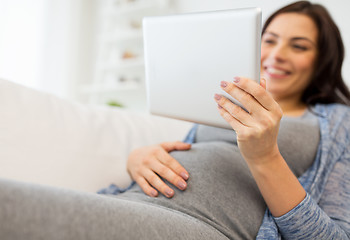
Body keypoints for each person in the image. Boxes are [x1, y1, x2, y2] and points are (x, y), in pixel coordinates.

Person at [0, 1, 349, 239]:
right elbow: (190, 153)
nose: (276, 54)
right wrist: (139, 159)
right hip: (131, 201)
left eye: (299, 46)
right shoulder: (226, 102)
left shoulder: (340, 124)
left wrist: (265, 156)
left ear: (323, 60)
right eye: (269, 39)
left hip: (197, 224)